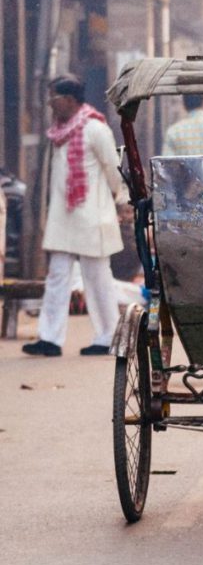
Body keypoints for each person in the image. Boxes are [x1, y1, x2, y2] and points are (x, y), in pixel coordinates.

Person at [22, 76, 123, 357]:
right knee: (56, 277)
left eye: (54, 97)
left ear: (69, 99)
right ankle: (49, 338)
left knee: (97, 279)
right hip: (64, 218)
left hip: (92, 217)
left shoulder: (95, 128)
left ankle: (109, 336)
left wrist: (123, 202)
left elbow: (115, 172)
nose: (50, 104)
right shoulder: (57, 131)